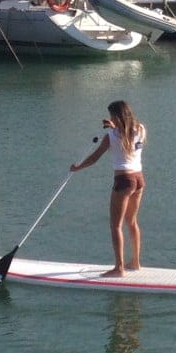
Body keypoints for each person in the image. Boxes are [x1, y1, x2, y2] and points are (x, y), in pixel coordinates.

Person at [70, 100, 147, 277]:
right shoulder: (141, 129)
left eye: (112, 115)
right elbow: (126, 132)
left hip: (123, 180)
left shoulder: (111, 136)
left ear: (117, 116)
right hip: (139, 179)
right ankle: (135, 262)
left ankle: (119, 268)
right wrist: (113, 127)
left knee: (115, 226)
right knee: (132, 222)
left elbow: (94, 159)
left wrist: (77, 167)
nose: (111, 118)